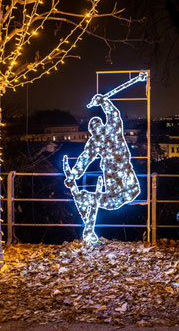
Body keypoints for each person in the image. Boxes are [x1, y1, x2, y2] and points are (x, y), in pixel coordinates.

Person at [63, 92, 140, 243]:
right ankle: (90, 224)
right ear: (92, 131)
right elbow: (84, 160)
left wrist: (104, 102)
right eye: (94, 131)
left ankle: (90, 208)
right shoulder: (96, 141)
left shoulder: (111, 129)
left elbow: (114, 114)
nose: (96, 132)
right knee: (113, 200)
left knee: (128, 194)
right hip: (113, 174)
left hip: (122, 170)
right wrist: (73, 175)